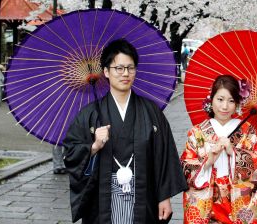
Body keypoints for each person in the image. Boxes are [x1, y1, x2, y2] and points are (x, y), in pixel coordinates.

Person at [63, 39, 187, 224]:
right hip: (103, 199)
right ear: (106, 71)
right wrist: (94, 145)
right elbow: (70, 154)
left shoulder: (150, 111)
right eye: (119, 68)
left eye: (130, 68)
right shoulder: (90, 114)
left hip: (143, 196)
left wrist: (165, 197)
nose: (125, 74)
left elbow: (164, 155)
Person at [181, 74, 257, 224]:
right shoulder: (197, 132)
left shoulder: (247, 131)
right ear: (211, 99)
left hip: (237, 200)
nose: (225, 106)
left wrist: (233, 153)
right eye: (220, 99)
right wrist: (208, 161)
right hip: (207, 200)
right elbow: (185, 166)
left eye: (231, 101)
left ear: (237, 104)